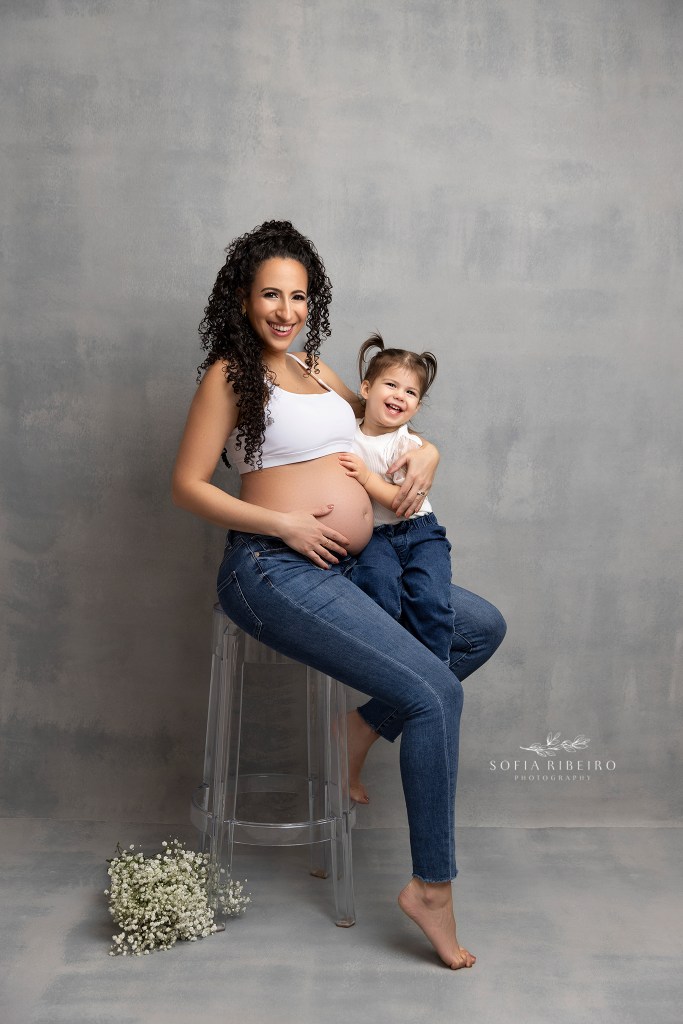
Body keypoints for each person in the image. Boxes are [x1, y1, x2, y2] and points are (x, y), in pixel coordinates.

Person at [172, 220, 506, 970]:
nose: (285, 310)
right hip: (269, 569)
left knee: (479, 628)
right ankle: (431, 888)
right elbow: (187, 485)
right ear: (241, 297)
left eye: (298, 296)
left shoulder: (320, 371)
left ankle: (353, 734)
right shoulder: (231, 374)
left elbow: (393, 416)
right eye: (270, 295)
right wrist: (284, 523)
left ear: (311, 302)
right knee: (433, 696)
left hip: (350, 565)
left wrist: (431, 449)